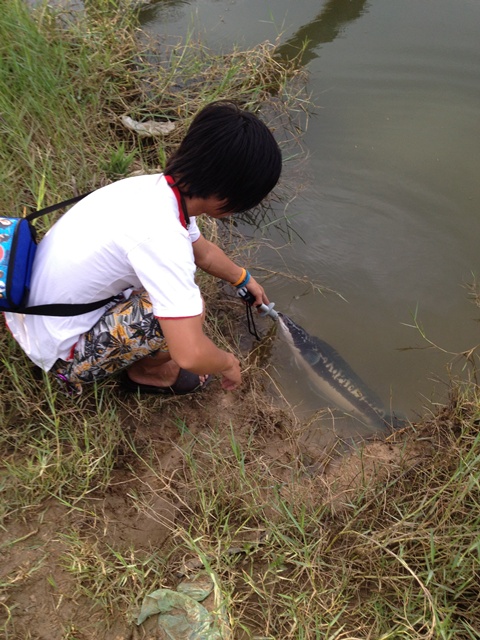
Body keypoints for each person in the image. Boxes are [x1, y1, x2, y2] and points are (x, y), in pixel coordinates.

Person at [4, 101, 282, 395]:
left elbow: (202, 251)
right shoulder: (162, 236)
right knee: (181, 313)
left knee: (177, 302)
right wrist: (227, 363)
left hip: (33, 310)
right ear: (228, 196)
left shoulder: (159, 190)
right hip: (55, 348)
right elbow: (189, 353)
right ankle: (148, 373)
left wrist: (241, 278)